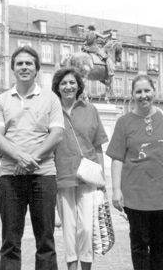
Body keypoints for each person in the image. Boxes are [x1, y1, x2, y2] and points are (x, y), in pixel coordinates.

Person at [0, 46, 65, 270]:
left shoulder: (51, 99)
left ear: (37, 69)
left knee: (45, 239)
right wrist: (19, 157)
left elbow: (57, 134)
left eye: (29, 63)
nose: (24, 67)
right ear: (12, 68)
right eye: (20, 63)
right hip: (10, 177)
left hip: (43, 176)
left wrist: (29, 159)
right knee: (10, 240)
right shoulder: (0, 101)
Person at [106, 75, 163, 270]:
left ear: (154, 92)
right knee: (139, 245)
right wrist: (116, 190)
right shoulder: (124, 122)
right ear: (132, 95)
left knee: (160, 245)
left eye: (147, 91)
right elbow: (117, 158)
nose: (143, 96)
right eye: (138, 92)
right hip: (135, 195)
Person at [51, 67, 108, 270]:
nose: (68, 86)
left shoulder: (90, 109)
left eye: (72, 82)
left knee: (86, 227)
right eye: (63, 83)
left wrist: (102, 178)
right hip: (63, 176)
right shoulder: (51, 110)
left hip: (88, 177)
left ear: (78, 86)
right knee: (69, 229)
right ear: (57, 87)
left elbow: (98, 145)